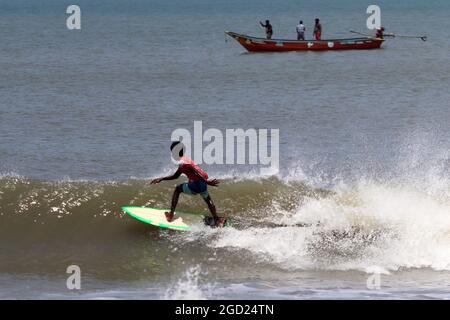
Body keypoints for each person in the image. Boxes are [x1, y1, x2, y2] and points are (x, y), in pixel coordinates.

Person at [151, 141, 226, 227]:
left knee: (178, 189)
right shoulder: (187, 159)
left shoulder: (183, 164)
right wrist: (162, 178)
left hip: (197, 183)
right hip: (202, 183)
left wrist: (207, 182)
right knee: (207, 199)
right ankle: (217, 220)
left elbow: (195, 173)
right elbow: (176, 176)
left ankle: (171, 214)